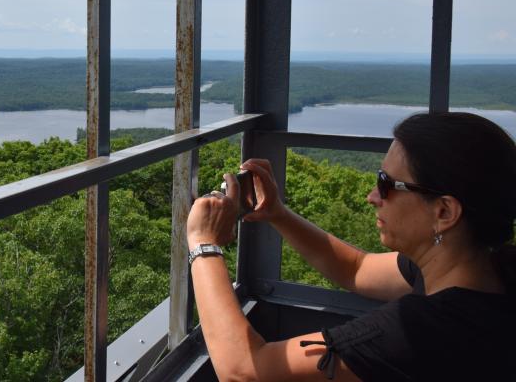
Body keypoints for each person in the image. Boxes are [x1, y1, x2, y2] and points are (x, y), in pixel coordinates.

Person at [186, 112, 516, 381]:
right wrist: (278, 214)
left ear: (444, 212)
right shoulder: (487, 267)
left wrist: (204, 243)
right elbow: (356, 269)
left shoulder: (423, 329)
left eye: (387, 185)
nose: (373, 196)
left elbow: (244, 369)